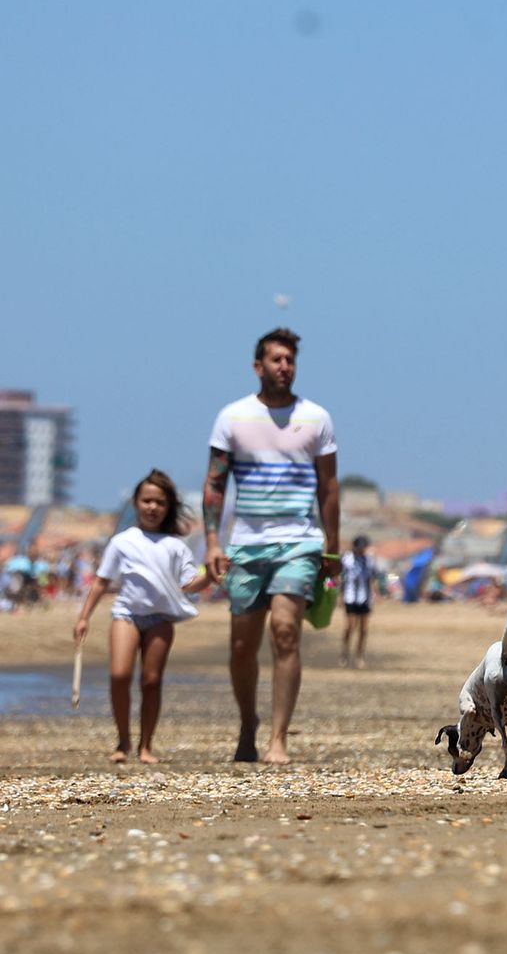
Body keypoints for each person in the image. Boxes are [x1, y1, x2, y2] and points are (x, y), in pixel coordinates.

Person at [203, 327, 340, 764]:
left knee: (284, 631)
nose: (285, 367)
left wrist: (332, 548)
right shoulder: (232, 417)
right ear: (257, 365)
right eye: (277, 359)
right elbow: (215, 483)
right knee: (242, 646)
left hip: (299, 542)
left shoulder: (316, 417)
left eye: (290, 360)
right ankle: (249, 723)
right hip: (246, 545)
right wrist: (212, 541)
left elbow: (329, 486)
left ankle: (279, 739)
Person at [73, 469, 213, 764]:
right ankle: (123, 740)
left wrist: (211, 576)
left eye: (159, 502)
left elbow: (189, 584)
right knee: (119, 675)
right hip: (127, 615)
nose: (152, 507)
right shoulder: (122, 541)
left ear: (168, 506)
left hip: (161, 619)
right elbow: (101, 581)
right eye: (147, 501)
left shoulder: (175, 546)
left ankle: (146, 745)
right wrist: (84, 617)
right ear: (136, 503)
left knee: (151, 680)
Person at [340, 535, 378, 668]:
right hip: (350, 597)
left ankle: (359, 656)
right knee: (350, 627)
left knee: (364, 630)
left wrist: (376, 594)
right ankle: (344, 654)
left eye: (364, 547)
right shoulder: (347, 559)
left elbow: (373, 578)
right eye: (359, 547)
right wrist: (339, 595)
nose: (361, 550)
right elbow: (341, 578)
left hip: (365, 598)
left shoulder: (369, 560)